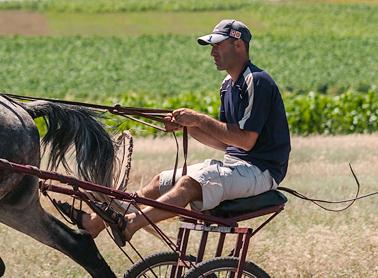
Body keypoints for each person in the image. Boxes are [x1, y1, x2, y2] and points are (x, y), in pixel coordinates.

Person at [81, 19, 292, 251]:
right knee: (159, 182)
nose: (212, 53)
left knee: (189, 184)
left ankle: (131, 224)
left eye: (218, 45)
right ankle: (95, 223)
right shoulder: (227, 86)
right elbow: (227, 142)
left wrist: (199, 119)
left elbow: (246, 141)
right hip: (237, 167)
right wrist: (187, 127)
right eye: (212, 47)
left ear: (238, 45)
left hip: (260, 172)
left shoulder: (257, 81)